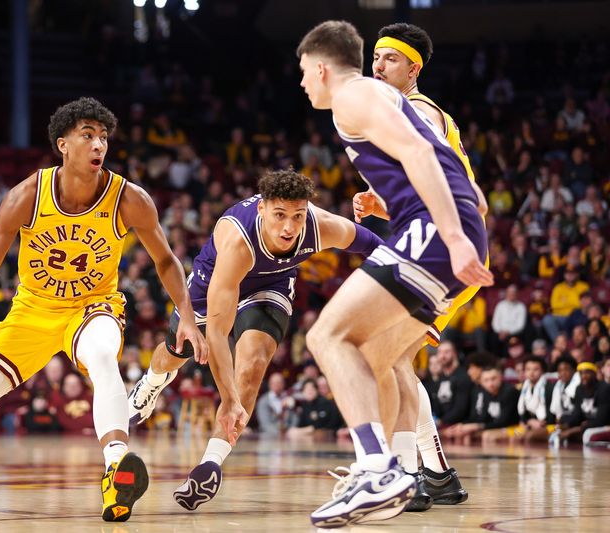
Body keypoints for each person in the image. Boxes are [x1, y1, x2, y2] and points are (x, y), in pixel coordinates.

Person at [0, 97, 207, 522]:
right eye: (88, 135)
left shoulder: (128, 199)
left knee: (102, 358)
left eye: (103, 138)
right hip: (30, 313)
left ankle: (117, 468)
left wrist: (186, 315)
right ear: (62, 144)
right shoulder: (26, 195)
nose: (99, 145)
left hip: (92, 308)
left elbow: (167, 261)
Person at [296, 20, 492, 527]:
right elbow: (440, 169)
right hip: (436, 224)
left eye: (302, 72)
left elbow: (422, 153)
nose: (300, 84)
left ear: (320, 68)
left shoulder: (355, 97)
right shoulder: (377, 99)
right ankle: (395, 472)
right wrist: (391, 200)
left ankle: (380, 470)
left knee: (327, 336)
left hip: (434, 230)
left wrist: (452, 235)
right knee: (373, 358)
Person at [127, 169, 383, 510]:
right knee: (179, 350)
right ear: (262, 210)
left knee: (254, 362)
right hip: (215, 282)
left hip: (271, 285)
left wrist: (408, 295)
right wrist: (228, 396)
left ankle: (210, 464)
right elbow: (218, 334)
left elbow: (377, 247)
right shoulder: (237, 240)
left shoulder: (321, 226)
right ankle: (153, 381)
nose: (289, 227)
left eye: (297, 216)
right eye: (279, 215)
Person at [356, 23, 491, 511]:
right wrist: (385, 204)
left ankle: (412, 475)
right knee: (390, 355)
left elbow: (445, 179)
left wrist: (467, 218)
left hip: (444, 248)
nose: (378, 66)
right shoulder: (404, 113)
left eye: (389, 58)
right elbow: (432, 189)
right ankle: (434, 476)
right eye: (375, 57)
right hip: (437, 240)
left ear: (414, 67)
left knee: (385, 354)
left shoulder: (416, 110)